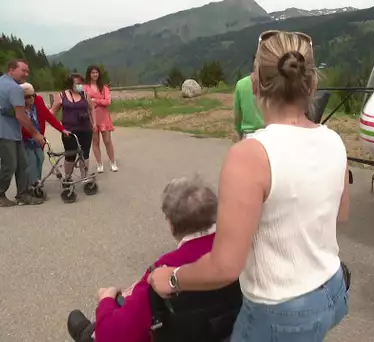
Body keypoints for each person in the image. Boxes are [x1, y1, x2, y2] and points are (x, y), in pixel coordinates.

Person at [148, 30, 351, 342]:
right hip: (333, 290)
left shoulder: (249, 155)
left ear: (255, 83)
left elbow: (225, 266)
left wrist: (172, 278)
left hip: (281, 311)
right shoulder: (334, 140)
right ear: (311, 84)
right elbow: (341, 213)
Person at [66, 174, 241, 342]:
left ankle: (86, 332)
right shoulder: (239, 248)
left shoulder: (165, 269)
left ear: (171, 224)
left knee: (98, 328)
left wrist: (105, 299)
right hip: (228, 329)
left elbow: (111, 337)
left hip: (179, 334)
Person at [0, 59, 44, 206]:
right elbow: (21, 116)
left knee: (22, 163)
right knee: (10, 165)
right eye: (23, 70)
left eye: (27, 71)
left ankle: (23, 194)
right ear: (11, 70)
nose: (26, 74)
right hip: (6, 133)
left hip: (12, 132)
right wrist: (36, 134)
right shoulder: (15, 88)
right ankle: (0, 195)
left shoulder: (2, 82)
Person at [19, 82, 71, 190]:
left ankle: (36, 182)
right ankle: (32, 185)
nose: (31, 98)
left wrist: (62, 129)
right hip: (25, 139)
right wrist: (34, 134)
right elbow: (21, 126)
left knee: (40, 158)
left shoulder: (38, 101)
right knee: (31, 161)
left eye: (33, 95)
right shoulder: (18, 107)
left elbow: (48, 116)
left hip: (38, 139)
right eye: (27, 97)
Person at [49, 74, 96, 185]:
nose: (80, 86)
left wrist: (94, 122)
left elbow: (92, 108)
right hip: (69, 130)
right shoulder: (62, 95)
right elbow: (52, 112)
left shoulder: (84, 94)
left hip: (85, 129)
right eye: (77, 83)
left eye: (81, 83)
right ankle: (68, 177)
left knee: (84, 154)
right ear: (71, 84)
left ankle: (84, 177)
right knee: (70, 155)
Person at [84, 65, 117, 173]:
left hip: (103, 117)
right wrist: (96, 101)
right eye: (93, 72)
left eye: (96, 72)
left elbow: (108, 102)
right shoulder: (84, 87)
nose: (95, 74)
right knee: (95, 141)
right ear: (89, 74)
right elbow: (83, 100)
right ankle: (99, 164)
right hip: (91, 118)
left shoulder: (104, 87)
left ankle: (112, 162)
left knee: (107, 141)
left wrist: (95, 100)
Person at [233, 55, 265, 140]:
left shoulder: (241, 84)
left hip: (248, 134)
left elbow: (237, 114)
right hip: (267, 132)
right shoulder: (270, 85)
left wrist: (239, 131)